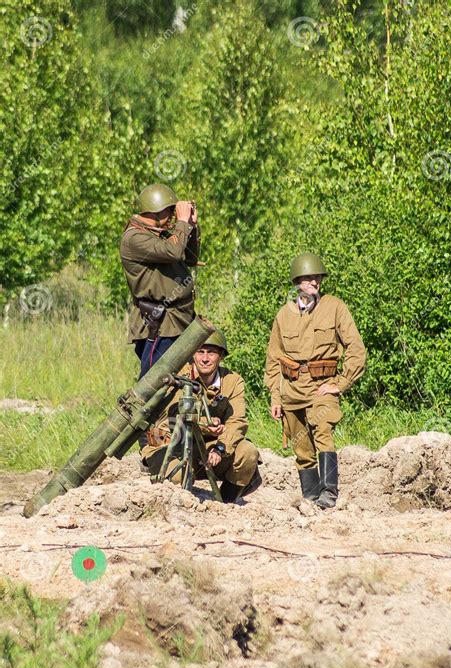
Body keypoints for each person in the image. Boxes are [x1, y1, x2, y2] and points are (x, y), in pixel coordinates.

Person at [265, 253, 366, 509]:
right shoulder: (283, 315)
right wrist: (275, 397)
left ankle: (328, 493)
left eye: (317, 277)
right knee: (301, 445)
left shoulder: (334, 307)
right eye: (309, 278)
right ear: (297, 281)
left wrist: (341, 383)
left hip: (322, 387)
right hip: (291, 390)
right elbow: (273, 359)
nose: (315, 282)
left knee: (323, 431)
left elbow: (356, 349)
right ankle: (310, 495)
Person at [143, 330, 262, 503]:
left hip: (208, 447)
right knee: (178, 478)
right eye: (200, 352)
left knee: (248, 453)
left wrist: (221, 448)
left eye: (211, 352)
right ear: (193, 355)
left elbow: (238, 421)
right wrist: (207, 425)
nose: (205, 358)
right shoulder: (178, 376)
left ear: (221, 356)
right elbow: (172, 417)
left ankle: (225, 503)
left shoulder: (232, 381)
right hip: (172, 443)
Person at [120, 183, 200, 379]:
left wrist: (190, 225)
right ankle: (138, 410)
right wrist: (182, 221)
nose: (173, 216)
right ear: (156, 211)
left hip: (178, 318)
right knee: (155, 382)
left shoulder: (157, 233)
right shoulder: (134, 238)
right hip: (160, 323)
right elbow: (173, 252)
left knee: (180, 381)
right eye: (170, 211)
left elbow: (189, 257)